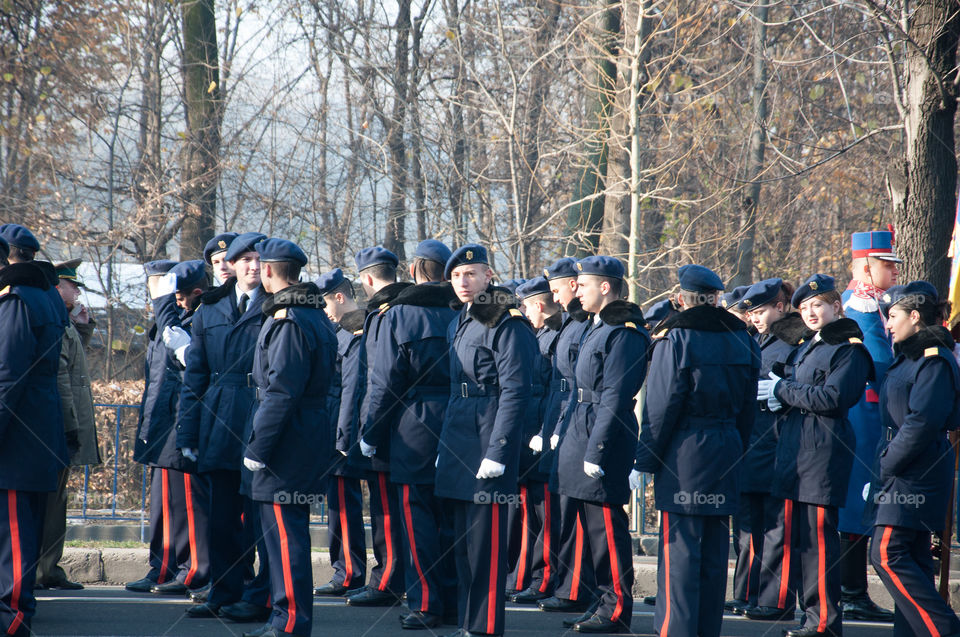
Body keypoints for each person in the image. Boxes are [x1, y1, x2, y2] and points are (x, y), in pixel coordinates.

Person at [635, 264, 759, 637]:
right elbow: (749, 407)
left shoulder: (676, 338)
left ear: (681, 299)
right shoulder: (744, 337)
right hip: (727, 446)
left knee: (681, 556)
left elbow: (661, 406)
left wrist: (646, 457)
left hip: (685, 452)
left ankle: (676, 630)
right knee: (715, 554)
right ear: (717, 297)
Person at [763, 274, 873, 637]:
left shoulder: (849, 349)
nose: (810, 312)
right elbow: (797, 392)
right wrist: (779, 394)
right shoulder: (811, 345)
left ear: (836, 306)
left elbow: (832, 399)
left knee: (819, 544)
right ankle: (810, 616)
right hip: (796, 449)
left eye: (818, 305)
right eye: (805, 307)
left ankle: (824, 621)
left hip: (823, 450)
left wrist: (784, 389)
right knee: (801, 542)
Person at [436, 244, 538, 637]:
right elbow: (453, 391)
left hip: (487, 438)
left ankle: (485, 627)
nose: (463, 281)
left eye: (471, 274)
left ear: (488, 276)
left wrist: (498, 451)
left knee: (485, 547)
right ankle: (468, 622)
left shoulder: (505, 321)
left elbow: (515, 390)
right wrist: (443, 450)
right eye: (457, 276)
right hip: (459, 438)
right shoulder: (460, 320)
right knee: (462, 546)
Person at [359, 239, 460, 629]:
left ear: (415, 270)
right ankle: (451, 600)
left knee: (417, 519)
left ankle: (427, 602)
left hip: (413, 424)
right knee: (450, 518)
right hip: (459, 421)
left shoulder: (398, 314)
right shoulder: (465, 310)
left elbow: (384, 382)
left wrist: (370, 431)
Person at [241, 238, 337, 637]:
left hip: (287, 443)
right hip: (302, 435)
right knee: (284, 533)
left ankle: (290, 622)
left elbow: (282, 391)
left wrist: (258, 447)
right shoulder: (312, 315)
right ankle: (285, 618)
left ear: (267, 271)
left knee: (284, 537)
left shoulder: (290, 321)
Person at [177, 233, 272, 622]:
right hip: (217, 419)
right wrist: (187, 434)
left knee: (261, 518)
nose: (252, 265)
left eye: (258, 259)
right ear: (229, 265)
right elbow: (195, 377)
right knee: (220, 518)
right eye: (244, 259)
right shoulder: (209, 310)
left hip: (260, 417)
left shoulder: (276, 306)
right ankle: (224, 589)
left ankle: (260, 595)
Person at [555, 256, 649, 634]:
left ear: (605, 287)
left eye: (583, 284)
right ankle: (600, 600)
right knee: (588, 527)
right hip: (582, 428)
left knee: (606, 528)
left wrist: (597, 450)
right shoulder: (597, 327)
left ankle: (616, 609)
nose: (576, 290)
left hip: (603, 434)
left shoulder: (623, 332)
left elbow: (614, 394)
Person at [867, 281, 960, 637]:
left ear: (915, 316)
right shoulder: (909, 356)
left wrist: (888, 463)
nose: (888, 324)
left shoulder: (933, 360)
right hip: (902, 465)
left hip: (915, 470)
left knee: (888, 553)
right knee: (916, 561)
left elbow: (923, 421)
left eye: (893, 316)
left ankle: (944, 630)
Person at [0, 235, 69, 637]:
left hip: (18, 434)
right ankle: (18, 608)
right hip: (36, 427)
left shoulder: (15, 299)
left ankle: (12, 616)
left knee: (11, 530)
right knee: (22, 527)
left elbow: (8, 374)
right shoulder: (42, 293)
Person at [736, 279, 807, 623]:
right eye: (751, 312)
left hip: (779, 442)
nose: (756, 318)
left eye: (762, 310)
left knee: (778, 529)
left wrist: (783, 393)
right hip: (753, 442)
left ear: (781, 306)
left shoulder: (797, 341)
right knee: (750, 526)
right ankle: (749, 593)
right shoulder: (755, 340)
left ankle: (777, 600)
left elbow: (804, 385)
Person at [837, 230, 898, 622]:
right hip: (864, 416)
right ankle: (850, 589)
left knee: (861, 501)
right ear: (865, 266)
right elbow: (879, 365)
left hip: (870, 415)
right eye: (886, 264)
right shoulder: (859, 307)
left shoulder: (871, 304)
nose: (892, 271)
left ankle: (852, 588)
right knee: (857, 501)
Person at [344, 246, 411, 607]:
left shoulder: (386, 314)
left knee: (386, 511)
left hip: (386, 428)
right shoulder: (404, 307)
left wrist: (369, 431)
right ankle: (396, 577)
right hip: (404, 427)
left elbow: (380, 381)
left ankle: (387, 580)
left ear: (367, 278)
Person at [35, 259, 101, 591]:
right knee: (50, 503)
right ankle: (42, 570)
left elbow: (73, 365)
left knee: (55, 502)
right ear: (57, 286)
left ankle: (48, 568)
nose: (77, 291)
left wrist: (83, 328)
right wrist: (70, 427)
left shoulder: (65, 321)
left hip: (60, 427)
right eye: (72, 285)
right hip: (59, 428)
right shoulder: (56, 321)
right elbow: (61, 377)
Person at [538, 257, 598, 615]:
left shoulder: (582, 325)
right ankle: (569, 584)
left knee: (574, 511)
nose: (555, 298)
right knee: (565, 509)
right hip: (566, 420)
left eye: (558, 289)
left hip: (578, 420)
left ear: (574, 285)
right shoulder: (574, 324)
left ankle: (575, 588)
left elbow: (575, 385)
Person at [313, 268, 368, 597]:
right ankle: (343, 568)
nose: (323, 313)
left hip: (343, 432)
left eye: (324, 304)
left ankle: (349, 572)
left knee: (344, 506)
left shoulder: (356, 333)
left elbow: (352, 389)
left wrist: (343, 438)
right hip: (332, 426)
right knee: (337, 503)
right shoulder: (338, 332)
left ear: (339, 296)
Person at [509, 277, 562, 605]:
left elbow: (554, 393)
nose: (523, 312)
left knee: (542, 514)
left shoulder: (554, 337)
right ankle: (523, 575)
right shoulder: (538, 335)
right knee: (529, 511)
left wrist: (544, 432)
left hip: (543, 434)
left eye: (526, 306)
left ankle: (540, 578)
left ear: (538, 306)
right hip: (530, 435)